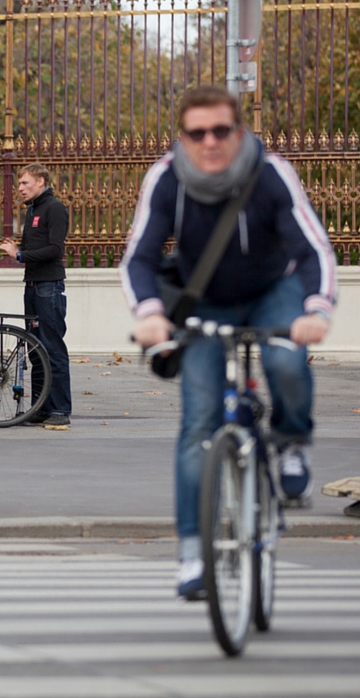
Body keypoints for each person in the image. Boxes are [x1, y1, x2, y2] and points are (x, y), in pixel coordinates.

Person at [120, 85, 337, 599]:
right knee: (199, 422)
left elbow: (314, 249)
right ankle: (194, 554)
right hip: (206, 302)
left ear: (238, 132)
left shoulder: (270, 172)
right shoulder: (167, 178)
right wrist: (149, 314)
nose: (210, 142)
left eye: (221, 130)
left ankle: (291, 442)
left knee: (285, 363)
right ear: (183, 138)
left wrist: (316, 309)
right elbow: (138, 258)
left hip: (273, 292)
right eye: (197, 133)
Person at [0, 163, 72, 427]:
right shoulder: (33, 210)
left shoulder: (54, 208)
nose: (20, 188)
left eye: (25, 183)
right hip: (32, 285)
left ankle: (60, 408)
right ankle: (40, 407)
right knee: (35, 349)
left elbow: (55, 249)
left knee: (52, 347)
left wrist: (19, 254)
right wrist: (20, 250)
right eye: (19, 184)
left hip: (49, 286)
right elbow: (34, 249)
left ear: (41, 181)